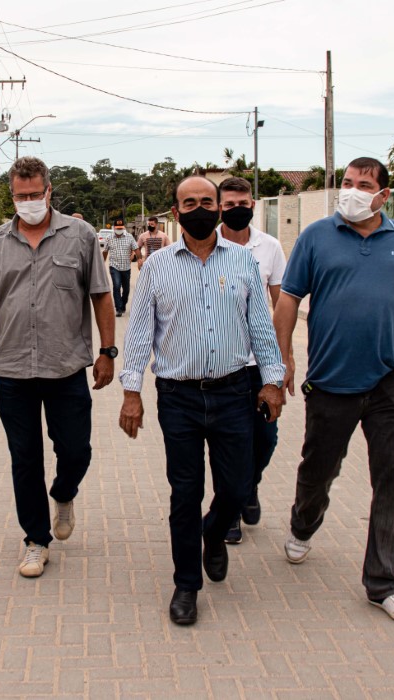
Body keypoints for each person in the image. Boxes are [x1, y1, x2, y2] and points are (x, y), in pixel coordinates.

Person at [273, 157, 394, 625]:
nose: (352, 191)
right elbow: (289, 298)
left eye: (363, 185)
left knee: (391, 482)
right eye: (347, 183)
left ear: (383, 195)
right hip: (331, 383)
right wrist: (284, 359)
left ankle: (386, 583)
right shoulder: (316, 236)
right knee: (319, 470)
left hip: (391, 383)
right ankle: (303, 523)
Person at [119, 175, 285, 626]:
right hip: (179, 397)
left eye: (206, 201)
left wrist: (273, 380)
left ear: (218, 206)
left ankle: (214, 533)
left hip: (235, 392)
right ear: (175, 212)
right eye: (188, 202)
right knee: (185, 494)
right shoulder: (155, 267)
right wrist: (131, 391)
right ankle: (186, 584)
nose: (199, 208)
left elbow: (261, 329)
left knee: (237, 487)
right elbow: (138, 334)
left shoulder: (245, 263)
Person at [0, 156, 115, 578]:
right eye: (19, 196)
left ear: (49, 192)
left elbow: (102, 295)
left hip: (66, 368)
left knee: (76, 451)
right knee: (23, 457)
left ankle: (64, 493)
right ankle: (35, 538)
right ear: (11, 195)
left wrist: (108, 351)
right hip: (12, 371)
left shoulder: (80, 236)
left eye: (34, 194)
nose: (27, 202)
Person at [215, 176, 288, 545]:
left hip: (259, 363)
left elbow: (282, 306)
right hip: (222, 365)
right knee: (229, 442)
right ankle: (228, 512)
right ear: (219, 207)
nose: (236, 209)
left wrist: (282, 362)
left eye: (242, 203)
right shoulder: (204, 245)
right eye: (228, 205)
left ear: (253, 203)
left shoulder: (269, 247)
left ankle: (249, 486)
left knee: (265, 438)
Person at [105, 218, 138, 317]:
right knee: (116, 286)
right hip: (114, 266)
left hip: (126, 267)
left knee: (126, 289)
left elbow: (136, 248)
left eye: (121, 228)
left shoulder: (129, 237)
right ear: (114, 227)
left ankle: (123, 304)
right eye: (117, 227)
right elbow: (105, 251)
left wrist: (139, 259)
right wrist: (102, 263)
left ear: (123, 227)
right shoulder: (109, 238)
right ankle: (118, 308)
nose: (119, 229)